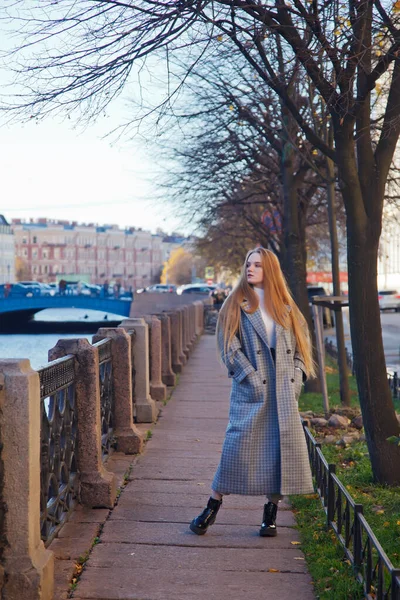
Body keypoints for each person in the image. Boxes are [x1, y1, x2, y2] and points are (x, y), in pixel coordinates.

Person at [190, 247, 315, 537]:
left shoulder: (286, 306)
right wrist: (251, 377)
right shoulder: (237, 303)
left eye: (257, 265)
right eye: (248, 264)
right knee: (235, 449)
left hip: (283, 387)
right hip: (252, 388)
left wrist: (296, 379)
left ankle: (270, 512)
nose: (250, 269)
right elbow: (228, 346)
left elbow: (301, 348)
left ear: (269, 270)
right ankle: (212, 505)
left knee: (279, 452)